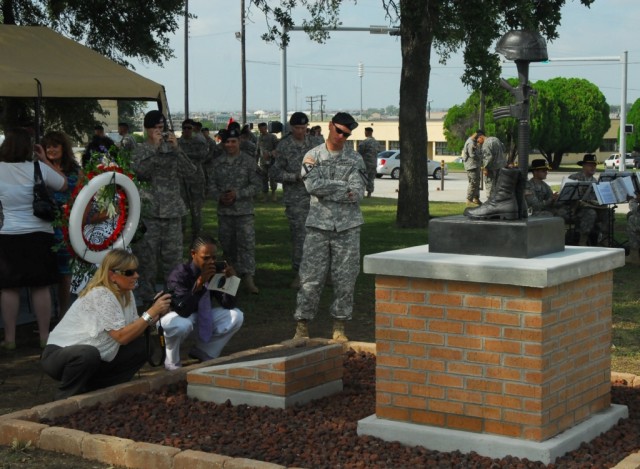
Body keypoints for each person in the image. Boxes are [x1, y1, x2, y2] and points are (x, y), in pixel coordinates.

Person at [41, 249, 171, 400]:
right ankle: (63, 400)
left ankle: (102, 392)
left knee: (144, 346)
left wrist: (155, 315)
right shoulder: (101, 294)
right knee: (88, 354)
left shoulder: (126, 293)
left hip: (96, 355)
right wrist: (151, 311)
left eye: (136, 271)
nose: (136, 276)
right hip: (59, 355)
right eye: (129, 272)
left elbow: (134, 328)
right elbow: (121, 337)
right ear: (112, 275)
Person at [293, 112, 366, 342]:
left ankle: (339, 327)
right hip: (318, 226)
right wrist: (342, 186)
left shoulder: (355, 159)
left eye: (347, 133)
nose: (342, 136)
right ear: (329, 126)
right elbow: (312, 186)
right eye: (339, 131)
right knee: (310, 278)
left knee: (345, 279)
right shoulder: (311, 156)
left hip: (347, 228)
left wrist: (331, 188)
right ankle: (302, 326)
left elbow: (357, 193)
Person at [0, 127, 68, 350]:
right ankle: (45, 336)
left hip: (9, 234)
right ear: (29, 148)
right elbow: (63, 184)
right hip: (40, 234)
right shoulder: (38, 168)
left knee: (9, 288)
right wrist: (44, 161)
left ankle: (10, 339)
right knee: (40, 287)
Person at [131, 110, 197, 306]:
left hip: (172, 213)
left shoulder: (173, 149)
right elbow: (140, 172)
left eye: (162, 128)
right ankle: (147, 302)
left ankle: (175, 301)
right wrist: (154, 148)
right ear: (147, 130)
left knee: (174, 262)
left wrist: (177, 149)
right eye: (155, 129)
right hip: (149, 214)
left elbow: (190, 172)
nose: (160, 132)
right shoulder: (141, 150)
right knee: (147, 262)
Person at [162, 235, 244, 369]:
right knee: (181, 325)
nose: (211, 262)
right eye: (206, 258)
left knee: (236, 316)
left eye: (214, 258)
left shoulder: (214, 271)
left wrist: (231, 282)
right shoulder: (180, 274)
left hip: (201, 317)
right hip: (176, 317)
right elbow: (183, 310)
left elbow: (228, 304)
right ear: (193, 254)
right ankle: (172, 362)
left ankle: (205, 352)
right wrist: (199, 283)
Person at [207, 127, 262, 294]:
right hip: (225, 213)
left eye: (234, 141)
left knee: (246, 245)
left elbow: (257, 185)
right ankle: (231, 278)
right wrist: (219, 196)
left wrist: (238, 194)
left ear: (239, 142)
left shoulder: (248, 161)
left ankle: (248, 278)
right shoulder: (217, 163)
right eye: (227, 142)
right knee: (227, 245)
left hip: (244, 212)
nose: (230, 145)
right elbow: (210, 185)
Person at [269, 112, 315, 289]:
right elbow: (274, 172)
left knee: (321, 235)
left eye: (303, 128)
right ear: (291, 127)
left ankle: (321, 272)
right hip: (295, 199)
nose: (301, 131)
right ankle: (299, 273)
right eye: (297, 128)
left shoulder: (315, 144)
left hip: (316, 197)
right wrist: (294, 177)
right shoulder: (284, 146)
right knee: (300, 237)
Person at [42, 130, 83, 317]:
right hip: (43, 225)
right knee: (46, 274)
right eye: (47, 146)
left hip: (65, 226)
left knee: (65, 274)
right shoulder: (39, 168)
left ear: (63, 148)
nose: (50, 149)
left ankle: (63, 314)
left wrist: (45, 162)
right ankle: (47, 313)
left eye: (54, 146)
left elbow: (66, 184)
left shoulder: (74, 170)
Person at [178, 118, 209, 239]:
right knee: (181, 207)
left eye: (189, 128)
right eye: (184, 128)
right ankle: (181, 233)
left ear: (193, 129)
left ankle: (197, 235)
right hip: (182, 179)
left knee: (196, 209)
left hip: (196, 178)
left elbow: (203, 155)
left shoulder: (199, 142)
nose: (186, 130)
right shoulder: (177, 143)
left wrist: (184, 155)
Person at [563, 153, 602, 246]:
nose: (593, 167)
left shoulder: (595, 181)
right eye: (590, 165)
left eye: (594, 165)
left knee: (608, 213)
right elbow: (566, 196)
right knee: (590, 213)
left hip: (590, 206)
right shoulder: (574, 178)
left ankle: (602, 239)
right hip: (575, 208)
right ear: (583, 166)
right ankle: (582, 240)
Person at [257, 122, 280, 201]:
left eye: (263, 128)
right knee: (264, 178)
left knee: (272, 177)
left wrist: (270, 154)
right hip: (263, 162)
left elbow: (278, 148)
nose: (261, 130)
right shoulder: (259, 138)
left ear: (266, 128)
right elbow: (258, 149)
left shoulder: (272, 137)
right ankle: (265, 195)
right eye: (260, 129)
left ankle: (273, 193)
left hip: (272, 161)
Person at [462, 130, 485, 207]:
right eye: (479, 137)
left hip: (475, 165)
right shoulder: (470, 143)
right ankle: (469, 199)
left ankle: (476, 199)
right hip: (471, 166)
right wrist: (481, 157)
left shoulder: (473, 142)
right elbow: (472, 155)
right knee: (473, 183)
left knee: (477, 182)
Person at [357, 127, 381, 198]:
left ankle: (361, 193)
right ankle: (369, 193)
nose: (365, 133)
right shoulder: (376, 143)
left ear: (368, 132)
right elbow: (378, 151)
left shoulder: (364, 142)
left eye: (365, 132)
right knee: (371, 178)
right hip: (374, 163)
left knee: (362, 178)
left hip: (365, 163)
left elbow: (360, 153)